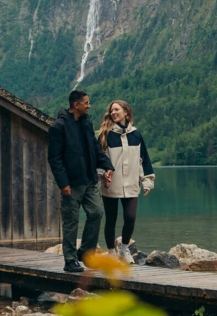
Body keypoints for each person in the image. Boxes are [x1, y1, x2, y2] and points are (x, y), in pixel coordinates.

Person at [48, 89, 113, 273]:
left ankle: (85, 252)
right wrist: (63, 183)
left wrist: (108, 166)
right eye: (86, 102)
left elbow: (94, 148)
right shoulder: (58, 127)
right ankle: (70, 260)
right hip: (71, 184)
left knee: (97, 212)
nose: (89, 105)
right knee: (71, 221)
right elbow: (54, 158)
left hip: (90, 180)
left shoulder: (86, 123)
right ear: (76, 105)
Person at [97, 100, 154, 264]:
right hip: (111, 184)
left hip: (131, 183)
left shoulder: (136, 134)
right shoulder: (106, 134)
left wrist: (147, 181)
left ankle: (123, 248)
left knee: (130, 217)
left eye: (116, 109)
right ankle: (111, 251)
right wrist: (102, 173)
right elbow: (99, 158)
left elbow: (143, 159)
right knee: (111, 219)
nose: (113, 112)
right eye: (111, 110)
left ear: (126, 112)